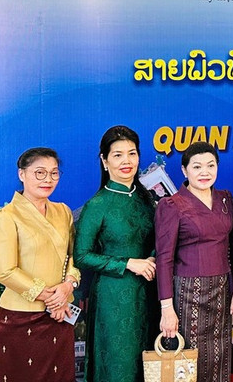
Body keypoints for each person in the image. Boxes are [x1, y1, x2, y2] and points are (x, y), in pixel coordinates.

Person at [74, 125, 158, 382]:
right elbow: (82, 255)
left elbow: (160, 239)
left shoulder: (148, 200)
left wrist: (154, 256)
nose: (126, 161)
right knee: (118, 366)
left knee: (149, 365)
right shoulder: (97, 204)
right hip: (113, 299)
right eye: (118, 155)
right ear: (104, 160)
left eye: (132, 154)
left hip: (150, 294)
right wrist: (129, 263)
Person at [155, 141, 233, 382]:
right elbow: (164, 259)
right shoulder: (171, 205)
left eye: (211, 165)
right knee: (190, 358)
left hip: (223, 290)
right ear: (184, 171)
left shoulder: (225, 199)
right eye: (197, 167)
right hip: (188, 294)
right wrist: (167, 308)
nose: (205, 172)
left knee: (220, 354)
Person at [0, 147, 80, 382]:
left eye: (54, 173)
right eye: (40, 173)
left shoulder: (63, 211)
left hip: (60, 314)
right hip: (20, 317)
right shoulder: (8, 216)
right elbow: (4, 271)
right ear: (22, 174)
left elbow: (72, 257)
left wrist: (67, 286)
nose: (48, 180)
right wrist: (48, 297)